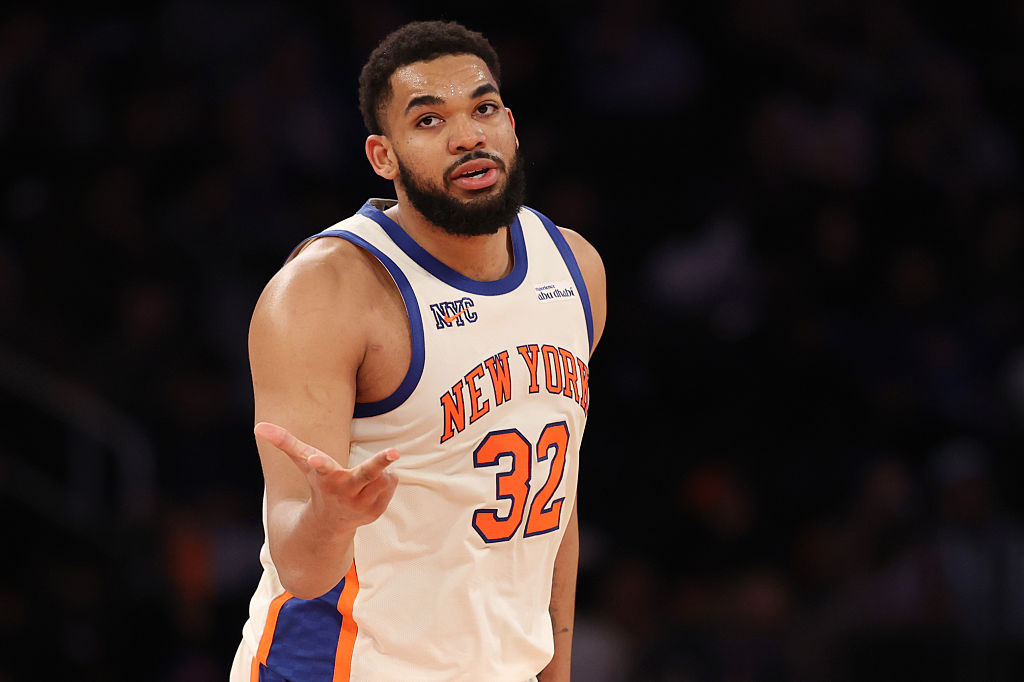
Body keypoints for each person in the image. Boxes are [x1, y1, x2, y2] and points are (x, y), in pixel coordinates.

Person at [230, 19, 606, 682]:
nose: (467, 135)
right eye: (429, 120)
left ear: (511, 126)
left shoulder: (574, 267)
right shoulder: (325, 292)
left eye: (483, 109)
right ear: (383, 156)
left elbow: (556, 508)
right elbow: (301, 567)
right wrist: (330, 516)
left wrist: (557, 671)